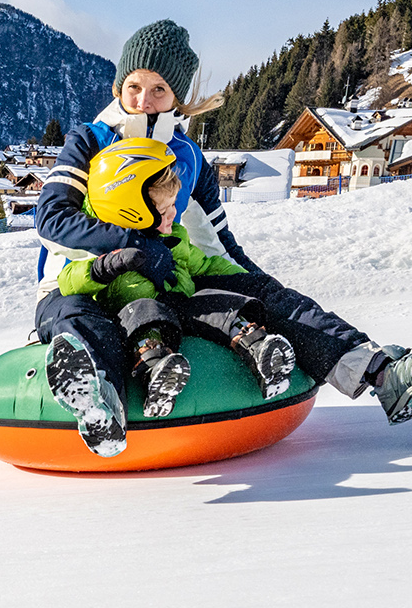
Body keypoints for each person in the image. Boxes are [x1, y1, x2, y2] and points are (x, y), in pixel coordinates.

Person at [34, 19, 412, 457]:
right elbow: (52, 219)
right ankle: (99, 402)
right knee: (80, 315)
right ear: (118, 86)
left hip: (165, 280)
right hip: (77, 280)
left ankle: (383, 375)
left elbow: (218, 242)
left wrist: (262, 288)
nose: (143, 100)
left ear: (177, 98)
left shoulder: (188, 159)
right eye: (133, 86)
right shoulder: (89, 140)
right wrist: (133, 245)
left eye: (158, 89)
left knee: (267, 295)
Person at [47, 137, 298, 448]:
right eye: (165, 210)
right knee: (145, 313)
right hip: (139, 317)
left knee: (216, 304)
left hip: (180, 306)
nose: (173, 216)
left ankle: (258, 347)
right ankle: (154, 369)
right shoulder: (108, 248)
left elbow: (206, 264)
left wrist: (247, 277)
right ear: (133, 211)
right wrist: (104, 268)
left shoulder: (175, 238)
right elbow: (70, 281)